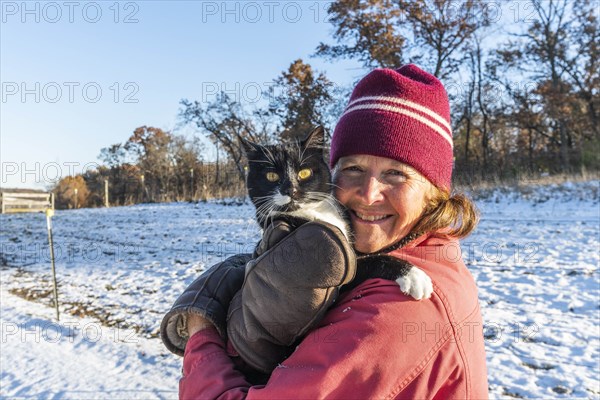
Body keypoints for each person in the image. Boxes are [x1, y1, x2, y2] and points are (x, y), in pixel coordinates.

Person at [175, 64, 489, 399]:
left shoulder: (398, 310)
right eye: (353, 168)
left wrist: (201, 333)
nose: (369, 194)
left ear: (434, 190)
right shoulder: (433, 253)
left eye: (396, 173)